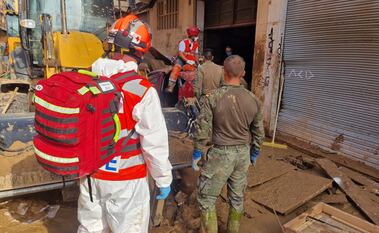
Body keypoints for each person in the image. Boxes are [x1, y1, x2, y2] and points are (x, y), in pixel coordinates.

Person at [77, 14, 173, 233]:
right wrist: (163, 178)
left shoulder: (88, 80)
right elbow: (154, 143)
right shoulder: (141, 90)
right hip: (127, 182)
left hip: (90, 176)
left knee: (89, 229)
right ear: (140, 51)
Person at [192, 55, 264, 233]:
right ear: (244, 73)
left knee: (206, 199)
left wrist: (197, 152)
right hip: (242, 155)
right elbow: (258, 132)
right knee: (237, 198)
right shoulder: (254, 99)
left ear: (223, 72)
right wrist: (254, 152)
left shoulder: (213, 98)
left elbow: (202, 129)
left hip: (221, 154)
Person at [166, 26, 200, 93]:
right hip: (181, 60)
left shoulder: (196, 44)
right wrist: (187, 61)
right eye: (196, 36)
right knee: (176, 68)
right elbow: (180, 53)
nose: (197, 37)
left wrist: (198, 64)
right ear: (192, 35)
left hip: (190, 61)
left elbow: (196, 54)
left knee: (196, 71)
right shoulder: (183, 42)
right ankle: (170, 86)